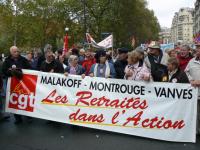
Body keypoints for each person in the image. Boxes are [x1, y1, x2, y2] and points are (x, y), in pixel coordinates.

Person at [2, 46, 31, 124]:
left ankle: (29, 115)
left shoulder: (23, 59)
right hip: (13, 84)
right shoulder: (7, 61)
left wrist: (20, 71)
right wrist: (10, 72)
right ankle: (18, 118)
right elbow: (4, 71)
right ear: (11, 52)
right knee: (15, 100)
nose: (17, 53)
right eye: (15, 52)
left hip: (24, 83)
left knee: (26, 98)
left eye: (17, 51)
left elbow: (30, 68)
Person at [185, 43, 200, 135]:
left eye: (199, 48)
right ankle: (197, 131)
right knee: (196, 113)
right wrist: (191, 80)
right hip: (196, 93)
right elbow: (186, 72)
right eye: (197, 48)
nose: (197, 49)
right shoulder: (191, 61)